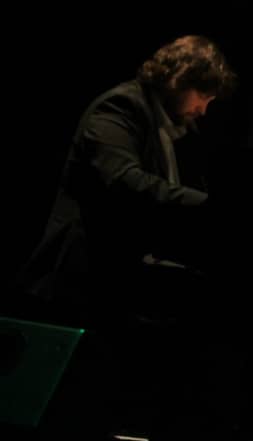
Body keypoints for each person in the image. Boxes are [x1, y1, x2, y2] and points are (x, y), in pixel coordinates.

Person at [15, 34, 236, 322]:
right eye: (203, 97)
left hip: (117, 282)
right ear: (179, 81)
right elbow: (124, 181)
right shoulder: (121, 106)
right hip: (79, 278)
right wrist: (211, 206)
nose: (203, 110)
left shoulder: (175, 127)